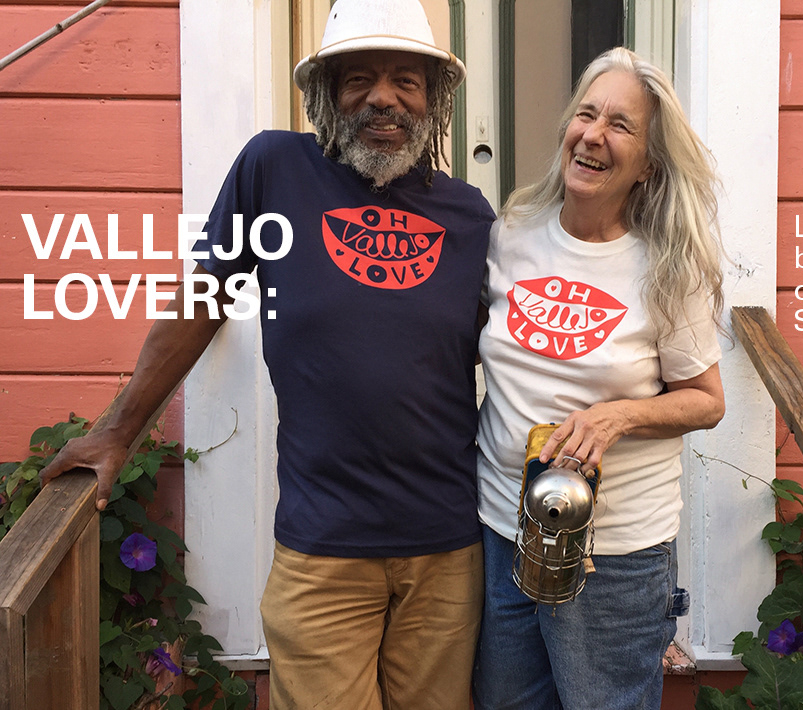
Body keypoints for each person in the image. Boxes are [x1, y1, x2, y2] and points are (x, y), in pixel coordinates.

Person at [39, 1, 494, 708]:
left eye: (407, 79)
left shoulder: (470, 216)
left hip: (447, 549)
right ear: (325, 92)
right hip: (323, 550)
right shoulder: (275, 169)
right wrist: (118, 430)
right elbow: (203, 301)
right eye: (360, 77)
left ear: (433, 99)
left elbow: (520, 356)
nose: (383, 96)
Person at [473, 47, 726, 710]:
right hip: (503, 533)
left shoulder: (669, 266)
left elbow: (706, 402)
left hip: (612, 561)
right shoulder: (510, 234)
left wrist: (618, 416)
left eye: (620, 125)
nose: (594, 135)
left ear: (648, 164)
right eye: (586, 115)